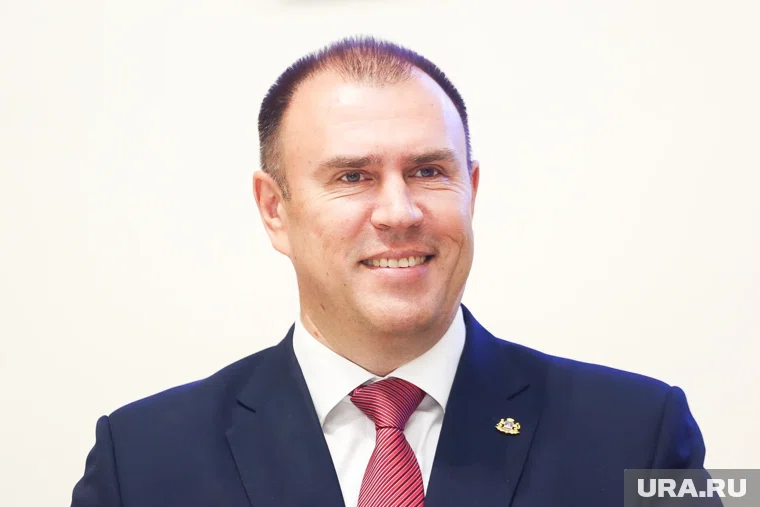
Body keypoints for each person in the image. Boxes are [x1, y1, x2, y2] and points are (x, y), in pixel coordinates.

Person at [71, 36, 711, 507]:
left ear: (471, 190)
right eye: (353, 176)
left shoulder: (638, 434)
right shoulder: (143, 460)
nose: (400, 212)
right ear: (274, 209)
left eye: (429, 171)